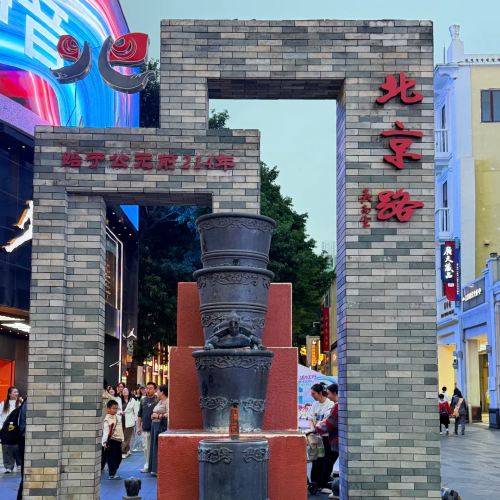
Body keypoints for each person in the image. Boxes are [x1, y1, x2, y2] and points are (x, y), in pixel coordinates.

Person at [313, 383, 339, 500]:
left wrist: (316, 429)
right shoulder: (339, 405)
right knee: (327, 460)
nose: (327, 396)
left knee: (327, 461)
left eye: (328, 393)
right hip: (334, 438)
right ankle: (324, 483)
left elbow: (329, 423)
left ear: (335, 393)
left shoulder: (336, 406)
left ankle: (325, 484)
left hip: (334, 439)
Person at [308, 382, 335, 491]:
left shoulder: (330, 404)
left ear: (320, 393)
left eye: (313, 393)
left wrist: (317, 429)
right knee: (315, 459)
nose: (312, 396)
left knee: (325, 460)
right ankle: (314, 483)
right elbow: (310, 418)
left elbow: (327, 421)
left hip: (325, 437)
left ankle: (322, 483)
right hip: (315, 436)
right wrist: (312, 430)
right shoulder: (314, 404)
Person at [137, 381, 159, 473]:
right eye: (147, 388)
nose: (148, 390)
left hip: (156, 428)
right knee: (146, 448)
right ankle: (147, 465)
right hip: (145, 428)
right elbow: (139, 415)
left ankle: (154, 467)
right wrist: (139, 427)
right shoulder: (143, 400)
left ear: (155, 390)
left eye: (151, 388)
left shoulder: (158, 400)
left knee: (154, 449)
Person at [0, 386, 22, 473]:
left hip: (16, 429)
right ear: (9, 394)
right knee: (6, 448)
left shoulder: (20, 403)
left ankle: (19, 464)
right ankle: (8, 466)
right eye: (14, 392)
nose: (16, 393)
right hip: (6, 429)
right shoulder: (3, 404)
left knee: (17, 447)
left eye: (17, 392)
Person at [101, 400, 124, 479]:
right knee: (112, 457)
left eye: (116, 408)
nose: (115, 410)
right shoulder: (107, 419)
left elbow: (120, 429)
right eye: (113, 408)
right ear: (108, 409)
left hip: (118, 440)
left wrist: (122, 439)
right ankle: (112, 473)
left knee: (119, 457)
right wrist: (104, 442)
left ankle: (113, 470)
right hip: (111, 440)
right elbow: (106, 431)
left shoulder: (118, 417)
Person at [149, 384, 168, 476]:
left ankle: (158, 469)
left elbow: (169, 413)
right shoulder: (160, 401)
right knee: (153, 446)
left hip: (160, 426)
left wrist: (159, 416)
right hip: (154, 425)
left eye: (158, 390)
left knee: (157, 446)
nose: (157, 392)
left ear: (162, 392)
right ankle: (153, 468)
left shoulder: (167, 401)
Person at [121, 387, 139, 458]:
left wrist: (135, 420)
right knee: (122, 436)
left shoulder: (133, 401)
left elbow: (136, 411)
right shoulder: (119, 400)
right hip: (121, 420)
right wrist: (120, 412)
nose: (125, 391)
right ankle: (127, 449)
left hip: (129, 421)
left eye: (126, 390)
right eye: (123, 390)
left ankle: (123, 451)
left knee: (126, 437)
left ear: (129, 392)